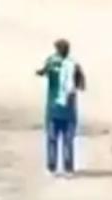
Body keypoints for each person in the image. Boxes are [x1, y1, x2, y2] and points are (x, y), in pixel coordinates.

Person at [35, 39, 86, 176]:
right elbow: (82, 86)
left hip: (53, 108)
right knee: (67, 140)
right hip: (69, 110)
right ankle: (68, 168)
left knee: (52, 139)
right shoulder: (74, 65)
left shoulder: (51, 62)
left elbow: (42, 72)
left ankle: (52, 168)